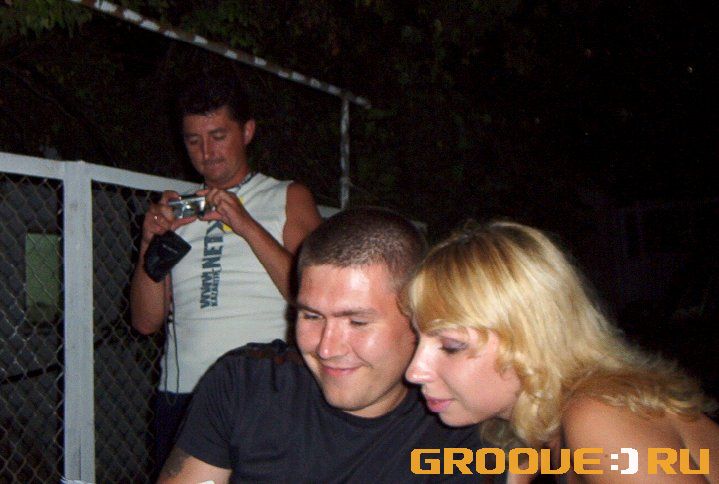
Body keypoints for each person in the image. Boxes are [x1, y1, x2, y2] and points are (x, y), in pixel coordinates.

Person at [157, 207, 493, 483]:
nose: (326, 349)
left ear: (419, 322)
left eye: (357, 322)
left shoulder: (459, 426)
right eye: (312, 316)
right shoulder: (246, 384)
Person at [405, 220, 719, 483]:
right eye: (417, 339)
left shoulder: (600, 417)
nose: (414, 372)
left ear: (532, 339)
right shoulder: (530, 434)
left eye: (451, 346)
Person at [130, 71, 323, 468]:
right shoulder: (177, 212)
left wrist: (245, 224)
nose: (207, 151)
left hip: (265, 393)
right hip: (184, 394)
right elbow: (145, 321)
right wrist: (150, 241)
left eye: (218, 136)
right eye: (193, 140)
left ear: (247, 131)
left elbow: (317, 294)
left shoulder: (286, 196)